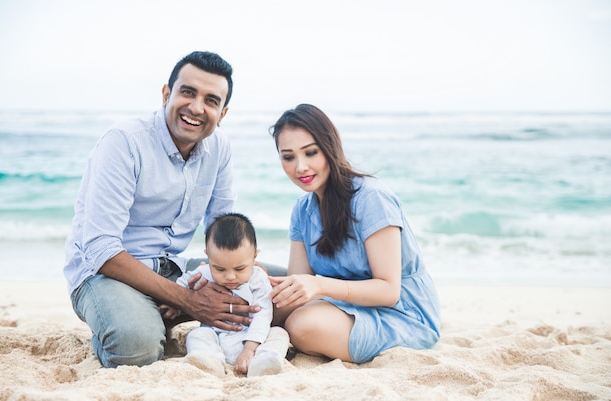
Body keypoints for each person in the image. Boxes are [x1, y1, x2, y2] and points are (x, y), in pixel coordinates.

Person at [63, 51, 285, 368]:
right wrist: (187, 300)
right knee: (136, 348)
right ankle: (137, 319)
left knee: (280, 288)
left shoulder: (219, 147)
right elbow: (101, 250)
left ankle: (159, 313)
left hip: (175, 268)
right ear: (167, 93)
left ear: (222, 113)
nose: (196, 107)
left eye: (211, 100)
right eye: (187, 92)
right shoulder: (124, 142)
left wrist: (224, 280)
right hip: (104, 274)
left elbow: (222, 228)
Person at [268, 104, 441, 364]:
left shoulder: (371, 198)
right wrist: (250, 278)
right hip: (342, 304)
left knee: (302, 325)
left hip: (400, 313)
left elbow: (388, 290)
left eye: (311, 153)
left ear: (329, 147)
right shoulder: (302, 209)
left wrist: (320, 285)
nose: (300, 167)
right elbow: (299, 281)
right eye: (288, 157)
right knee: (259, 299)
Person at [161, 213, 289, 377]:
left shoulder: (258, 279)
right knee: (196, 334)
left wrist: (249, 349)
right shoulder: (204, 272)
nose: (229, 277)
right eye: (219, 269)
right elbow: (183, 284)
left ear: (254, 257)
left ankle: (263, 362)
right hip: (216, 337)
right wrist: (175, 304)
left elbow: (262, 315)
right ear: (207, 255)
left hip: (250, 339)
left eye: (239, 269)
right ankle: (209, 362)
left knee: (278, 333)